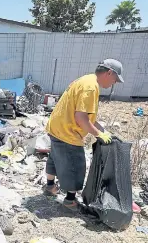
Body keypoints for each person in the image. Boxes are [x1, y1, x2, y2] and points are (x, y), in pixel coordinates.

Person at [44, 59, 124, 210]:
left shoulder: (86, 80)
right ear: (109, 73)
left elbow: (89, 117)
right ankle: (70, 200)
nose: (114, 83)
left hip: (56, 126)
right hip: (68, 131)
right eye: (115, 79)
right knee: (76, 165)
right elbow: (81, 118)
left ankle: (50, 187)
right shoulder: (91, 88)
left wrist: (103, 131)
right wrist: (98, 135)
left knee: (55, 157)